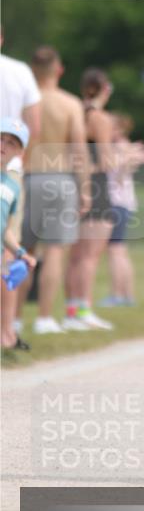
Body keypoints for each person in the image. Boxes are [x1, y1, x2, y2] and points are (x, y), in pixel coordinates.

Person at [18, 46, 90, 334]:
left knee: (22, 251)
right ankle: (45, 318)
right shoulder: (70, 103)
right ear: (59, 70)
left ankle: (14, 318)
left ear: (32, 70)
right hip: (60, 179)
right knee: (55, 250)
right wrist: (85, 189)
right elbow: (79, 150)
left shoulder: (24, 102)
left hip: (25, 177)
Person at [63, 68, 116, 331]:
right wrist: (129, 156)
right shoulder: (100, 118)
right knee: (90, 256)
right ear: (105, 89)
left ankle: (72, 312)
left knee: (75, 256)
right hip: (96, 186)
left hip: (73, 185)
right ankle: (84, 311)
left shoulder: (73, 114)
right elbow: (106, 160)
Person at [0, 31, 42, 346]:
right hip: (12, 168)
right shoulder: (19, 71)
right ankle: (7, 332)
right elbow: (34, 125)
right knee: (6, 257)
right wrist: (18, 160)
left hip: (10, 168)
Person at [98, 113, 144, 307]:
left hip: (117, 203)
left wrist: (124, 160)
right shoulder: (126, 148)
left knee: (115, 251)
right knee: (120, 250)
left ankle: (117, 295)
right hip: (124, 203)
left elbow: (118, 172)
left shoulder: (119, 147)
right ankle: (127, 295)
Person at [1, 119, 37, 350]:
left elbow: (4, 229)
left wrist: (20, 252)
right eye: (0, 139)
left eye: (11, 143)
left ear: (20, 152)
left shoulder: (12, 186)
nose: (3, 145)